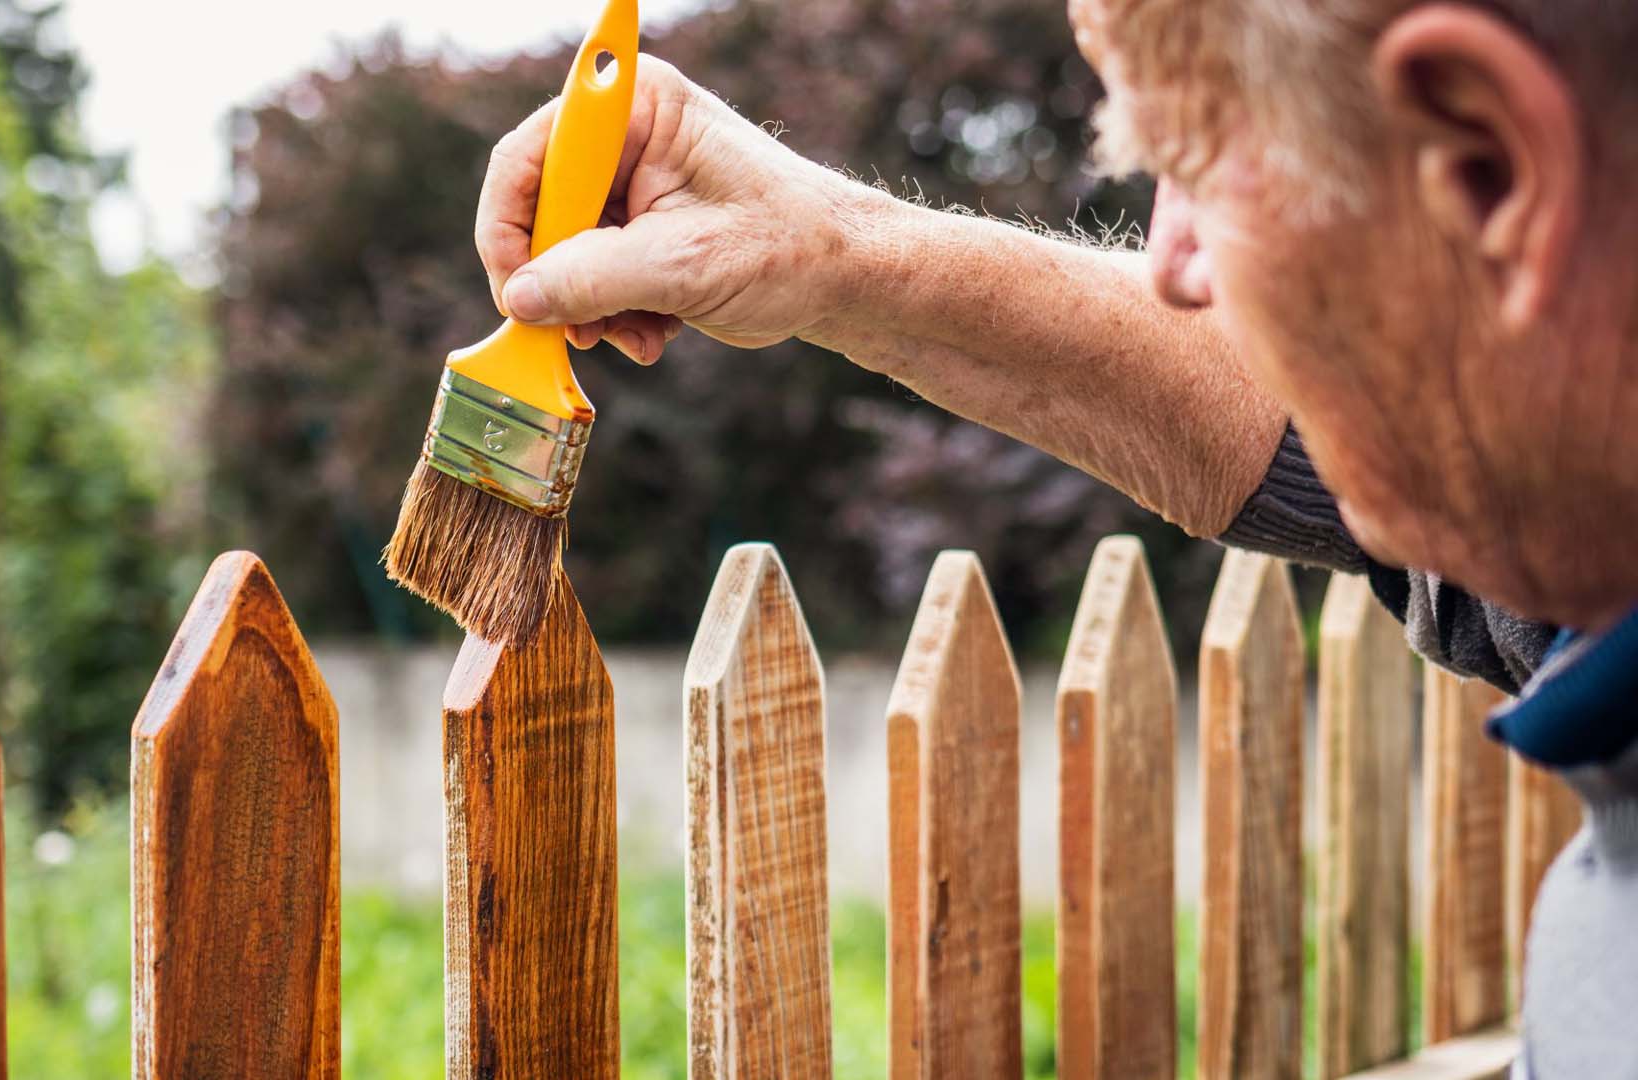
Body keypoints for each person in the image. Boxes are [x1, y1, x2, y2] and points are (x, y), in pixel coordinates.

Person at [476, 2, 1636, 1074]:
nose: (1176, 272)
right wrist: (831, 255)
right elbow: (1338, 433)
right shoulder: (1584, 515)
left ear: (1491, 166)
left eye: (1192, 163)